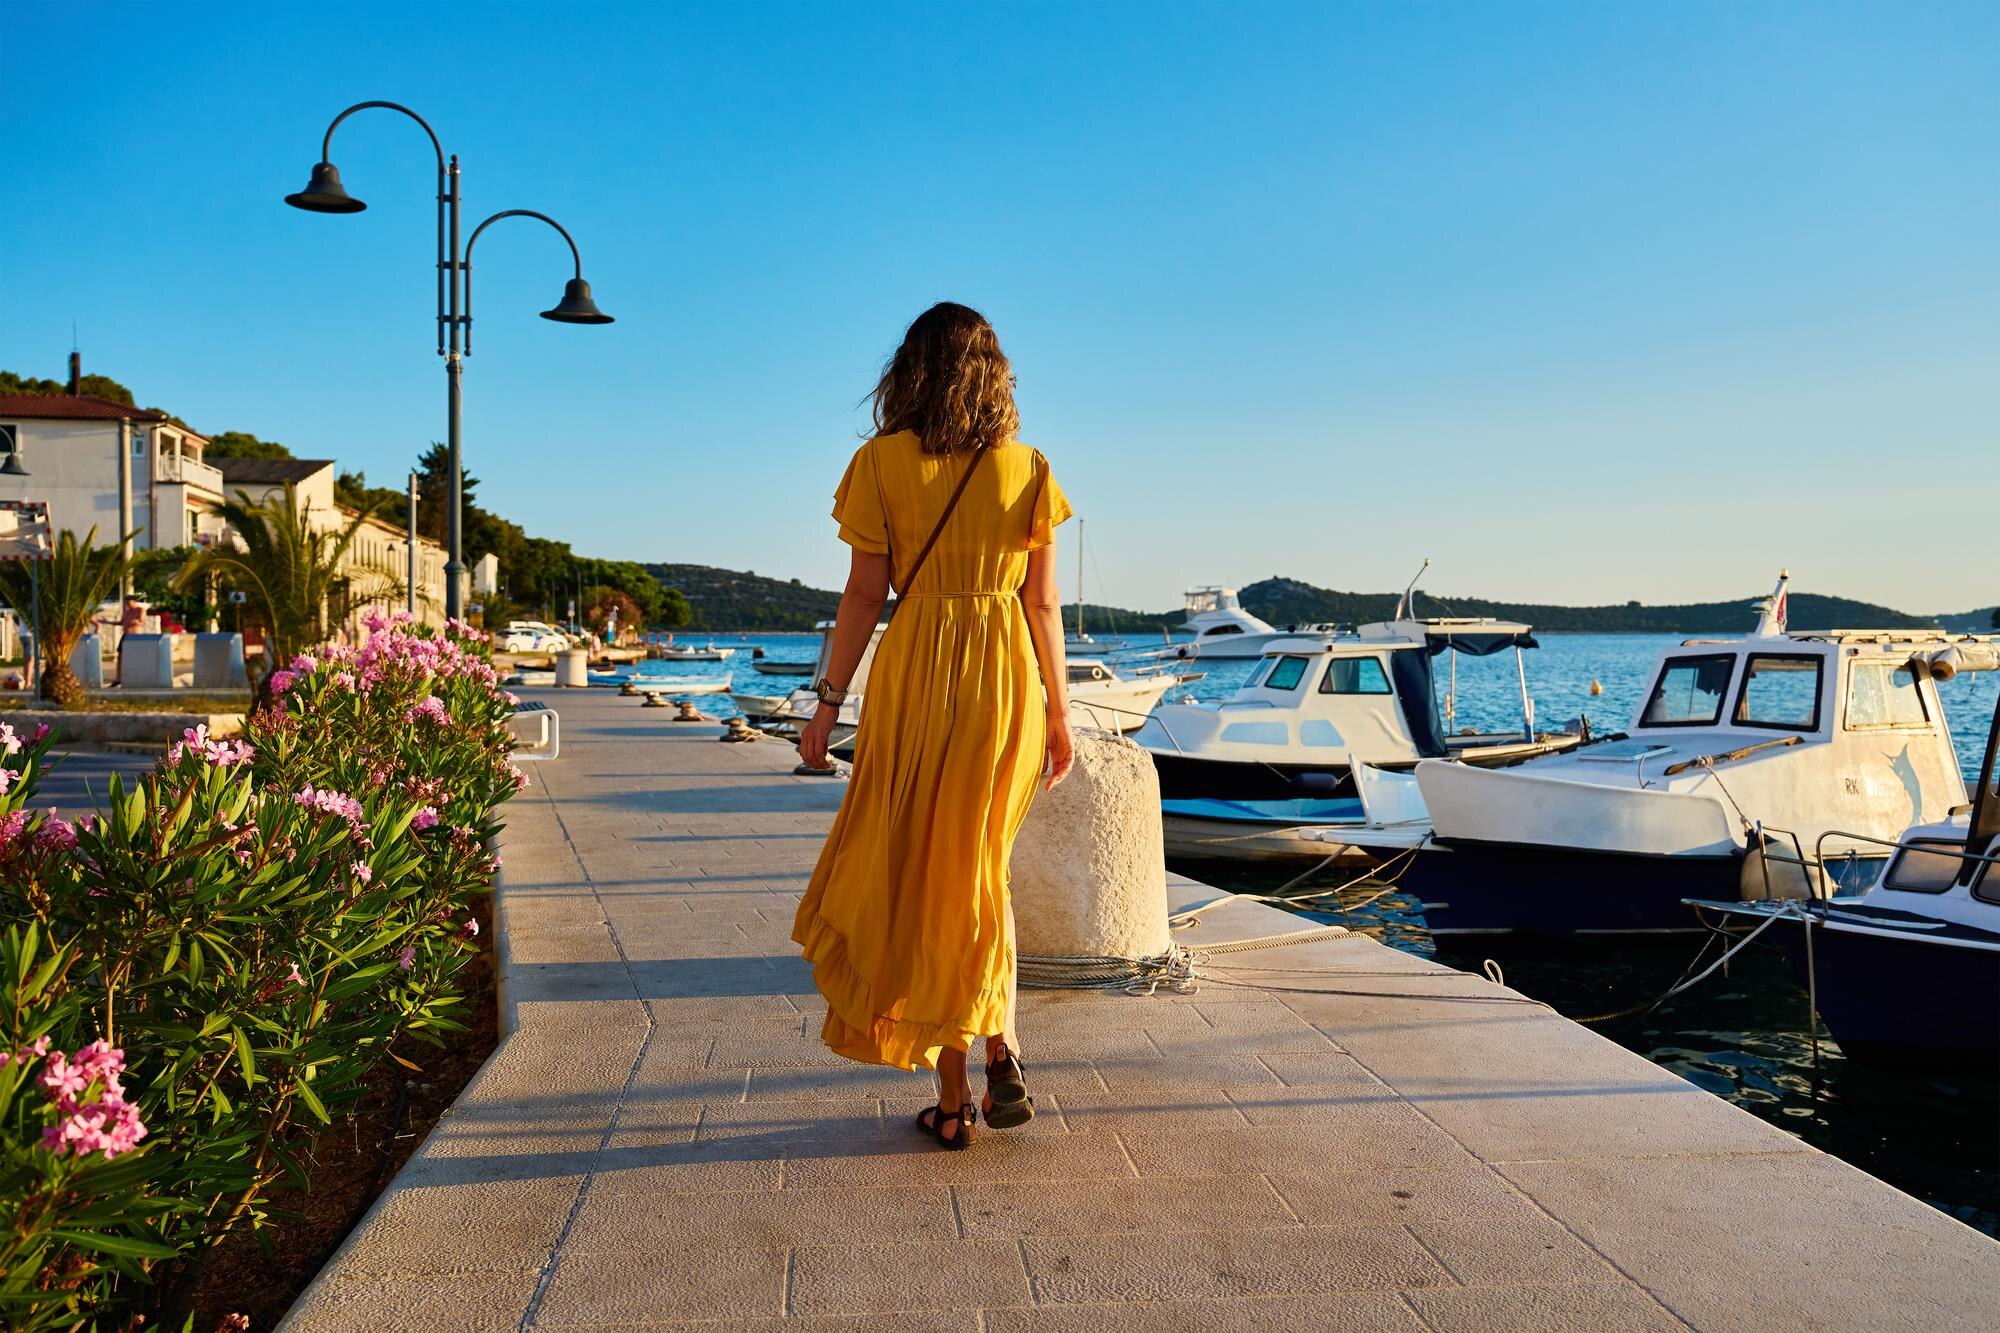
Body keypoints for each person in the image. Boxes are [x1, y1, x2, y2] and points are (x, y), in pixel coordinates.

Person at [793, 302, 1075, 1150]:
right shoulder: (1029, 468)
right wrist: (1060, 712)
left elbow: (862, 596)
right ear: (995, 375)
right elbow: (1043, 604)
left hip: (915, 672)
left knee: (925, 876)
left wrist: (827, 700)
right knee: (980, 868)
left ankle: (955, 1098)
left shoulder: (880, 463)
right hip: (1004, 679)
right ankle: (999, 1042)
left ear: (909, 371)